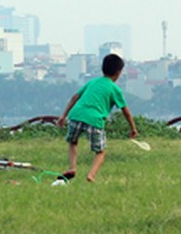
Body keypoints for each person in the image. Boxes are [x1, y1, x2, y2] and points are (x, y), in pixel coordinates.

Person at [58, 53, 139, 183]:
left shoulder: (92, 82)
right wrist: (133, 128)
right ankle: (91, 175)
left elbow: (75, 97)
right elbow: (126, 111)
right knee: (100, 152)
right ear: (118, 72)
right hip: (95, 120)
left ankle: (72, 168)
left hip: (76, 115)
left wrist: (63, 115)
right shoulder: (115, 89)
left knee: (73, 142)